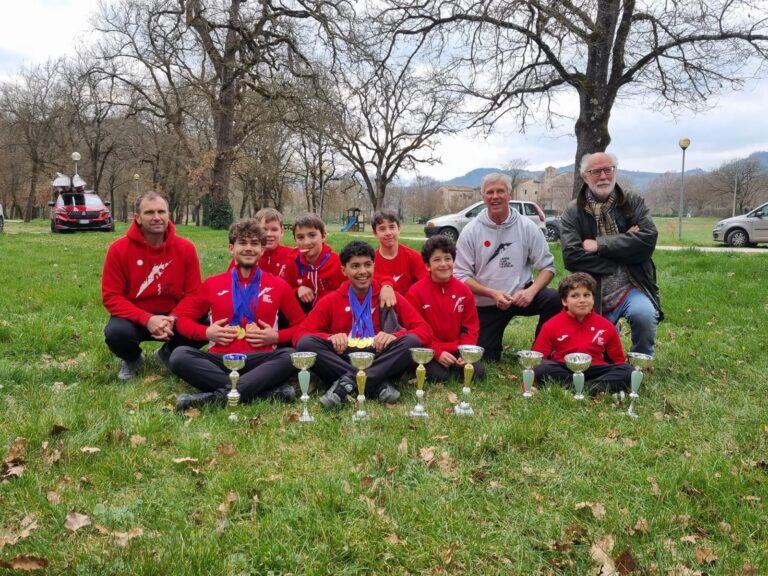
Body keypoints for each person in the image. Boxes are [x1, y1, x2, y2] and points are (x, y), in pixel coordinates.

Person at [168, 219, 305, 411]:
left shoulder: (278, 286)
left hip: (260, 361)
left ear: (262, 250)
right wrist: (207, 333)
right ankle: (264, 393)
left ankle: (213, 399)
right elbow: (182, 320)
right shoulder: (212, 284)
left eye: (255, 243)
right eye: (243, 243)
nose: (249, 248)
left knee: (291, 356)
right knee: (179, 356)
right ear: (231, 248)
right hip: (221, 360)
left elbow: (302, 325)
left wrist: (276, 336)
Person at [294, 241, 433, 409]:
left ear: (374, 266)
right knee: (306, 343)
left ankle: (346, 383)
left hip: (380, 355)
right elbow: (300, 336)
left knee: (411, 341)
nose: (362, 272)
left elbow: (425, 331)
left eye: (367, 265)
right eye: (355, 266)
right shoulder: (331, 300)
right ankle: (378, 384)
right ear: (343, 270)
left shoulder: (389, 296)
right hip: (344, 355)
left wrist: (393, 336)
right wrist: (330, 338)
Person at [559, 152, 661, 356]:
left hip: (632, 284)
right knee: (600, 353)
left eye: (608, 169)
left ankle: (642, 359)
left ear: (615, 171)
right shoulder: (572, 211)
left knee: (644, 315)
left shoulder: (633, 202)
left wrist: (599, 244)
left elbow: (648, 241)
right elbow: (571, 257)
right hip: (591, 290)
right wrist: (625, 244)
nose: (603, 176)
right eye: (596, 171)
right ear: (585, 176)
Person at [453, 173, 561, 362]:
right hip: (487, 302)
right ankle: (492, 347)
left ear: (509, 194)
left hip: (521, 296)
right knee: (485, 358)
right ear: (483, 197)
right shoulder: (471, 231)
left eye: (500, 191)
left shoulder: (527, 227)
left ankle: (541, 351)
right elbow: (461, 275)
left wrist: (531, 292)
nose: (495, 196)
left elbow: (548, 267)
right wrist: (492, 294)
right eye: (490, 192)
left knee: (554, 299)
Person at [101, 191, 205, 381]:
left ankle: (167, 353)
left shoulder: (186, 248)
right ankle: (132, 358)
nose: (157, 217)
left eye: (161, 212)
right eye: (149, 213)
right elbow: (111, 297)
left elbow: (194, 294)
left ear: (168, 215)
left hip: (172, 318)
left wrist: (173, 318)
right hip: (135, 318)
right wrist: (147, 319)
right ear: (138, 218)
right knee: (115, 333)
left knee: (206, 322)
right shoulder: (118, 250)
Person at [532, 272, 632, 394]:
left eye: (587, 295)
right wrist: (528, 385)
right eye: (575, 296)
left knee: (628, 371)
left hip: (596, 370)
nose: (582, 300)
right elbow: (536, 359)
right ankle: (592, 389)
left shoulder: (606, 326)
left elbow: (618, 361)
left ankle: (580, 389)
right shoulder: (550, 325)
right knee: (542, 368)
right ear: (564, 301)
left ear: (593, 299)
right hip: (565, 369)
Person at [405, 235, 484, 382]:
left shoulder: (464, 291)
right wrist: (437, 352)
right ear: (427, 266)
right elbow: (415, 331)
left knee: (477, 372)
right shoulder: (415, 292)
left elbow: (470, 327)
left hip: (457, 348)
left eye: (448, 259)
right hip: (430, 350)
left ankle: (457, 364)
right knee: (439, 376)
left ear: (453, 261)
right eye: (437, 260)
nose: (443, 264)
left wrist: (465, 352)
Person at [284, 213, 346, 312]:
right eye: (300, 237)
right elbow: (284, 290)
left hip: (332, 314)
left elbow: (349, 292)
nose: (306, 242)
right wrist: (297, 290)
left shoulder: (338, 263)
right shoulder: (292, 261)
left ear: (323, 236)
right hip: (303, 315)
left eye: (312, 235)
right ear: (295, 240)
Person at [372, 210, 427, 295]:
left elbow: (425, 286)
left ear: (399, 229)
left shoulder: (413, 257)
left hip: (409, 305)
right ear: (375, 233)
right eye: (382, 229)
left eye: (392, 227)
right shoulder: (370, 261)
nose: (388, 233)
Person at [254, 207, 294, 279]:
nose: (269, 234)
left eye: (274, 230)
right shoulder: (247, 255)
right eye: (264, 229)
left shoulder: (292, 256)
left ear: (281, 232)